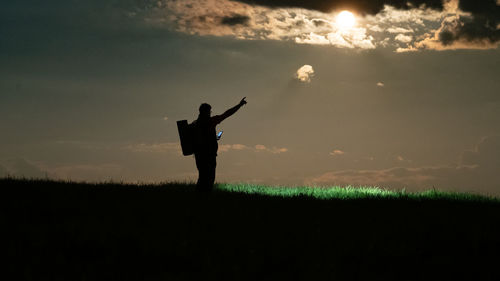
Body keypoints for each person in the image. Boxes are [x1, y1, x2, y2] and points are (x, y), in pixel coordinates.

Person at [192, 97, 247, 192]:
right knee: (209, 179)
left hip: (199, 155)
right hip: (209, 155)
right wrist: (239, 105)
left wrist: (216, 138)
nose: (210, 113)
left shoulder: (195, 124)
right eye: (209, 111)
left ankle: (199, 199)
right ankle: (204, 199)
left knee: (202, 177)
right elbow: (227, 114)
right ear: (207, 112)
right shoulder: (210, 121)